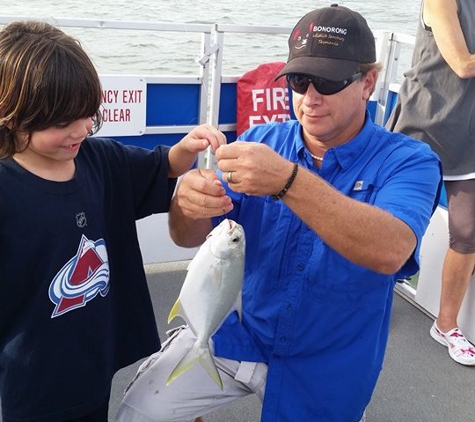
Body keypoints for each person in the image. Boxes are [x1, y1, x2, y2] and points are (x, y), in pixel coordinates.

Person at [117, 5, 442, 422]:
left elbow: (391, 250)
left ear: (369, 83)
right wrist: (187, 204)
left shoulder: (409, 161)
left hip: (329, 365)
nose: (310, 97)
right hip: (239, 333)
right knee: (138, 414)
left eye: (327, 81)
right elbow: (188, 237)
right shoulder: (259, 141)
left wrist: (289, 181)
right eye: (300, 80)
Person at [0, 20, 225, 422]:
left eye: (89, 116)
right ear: (13, 116)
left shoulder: (98, 160)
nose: (82, 130)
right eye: (63, 122)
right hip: (31, 378)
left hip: (94, 362)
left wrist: (187, 149)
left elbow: (161, 167)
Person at [386, 0, 475, 366]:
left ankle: (447, 325)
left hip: (469, 134)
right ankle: (359, 300)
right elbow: (462, 63)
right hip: (423, 127)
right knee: (393, 224)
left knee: (468, 232)